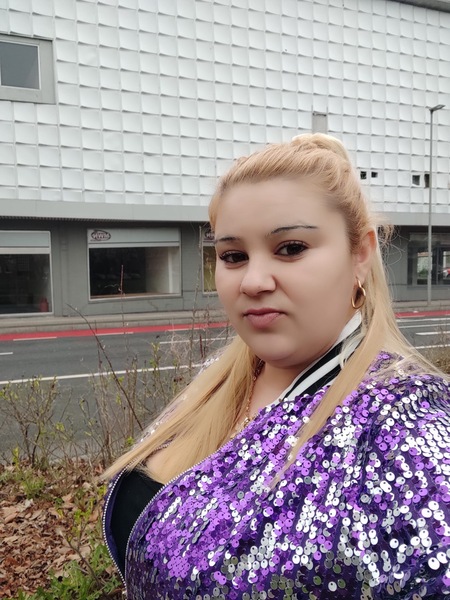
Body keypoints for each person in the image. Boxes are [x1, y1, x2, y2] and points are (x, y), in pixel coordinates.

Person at [103, 134, 450, 599]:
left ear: (361, 255)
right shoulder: (221, 379)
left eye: (290, 248)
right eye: (233, 256)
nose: (253, 281)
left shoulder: (406, 434)